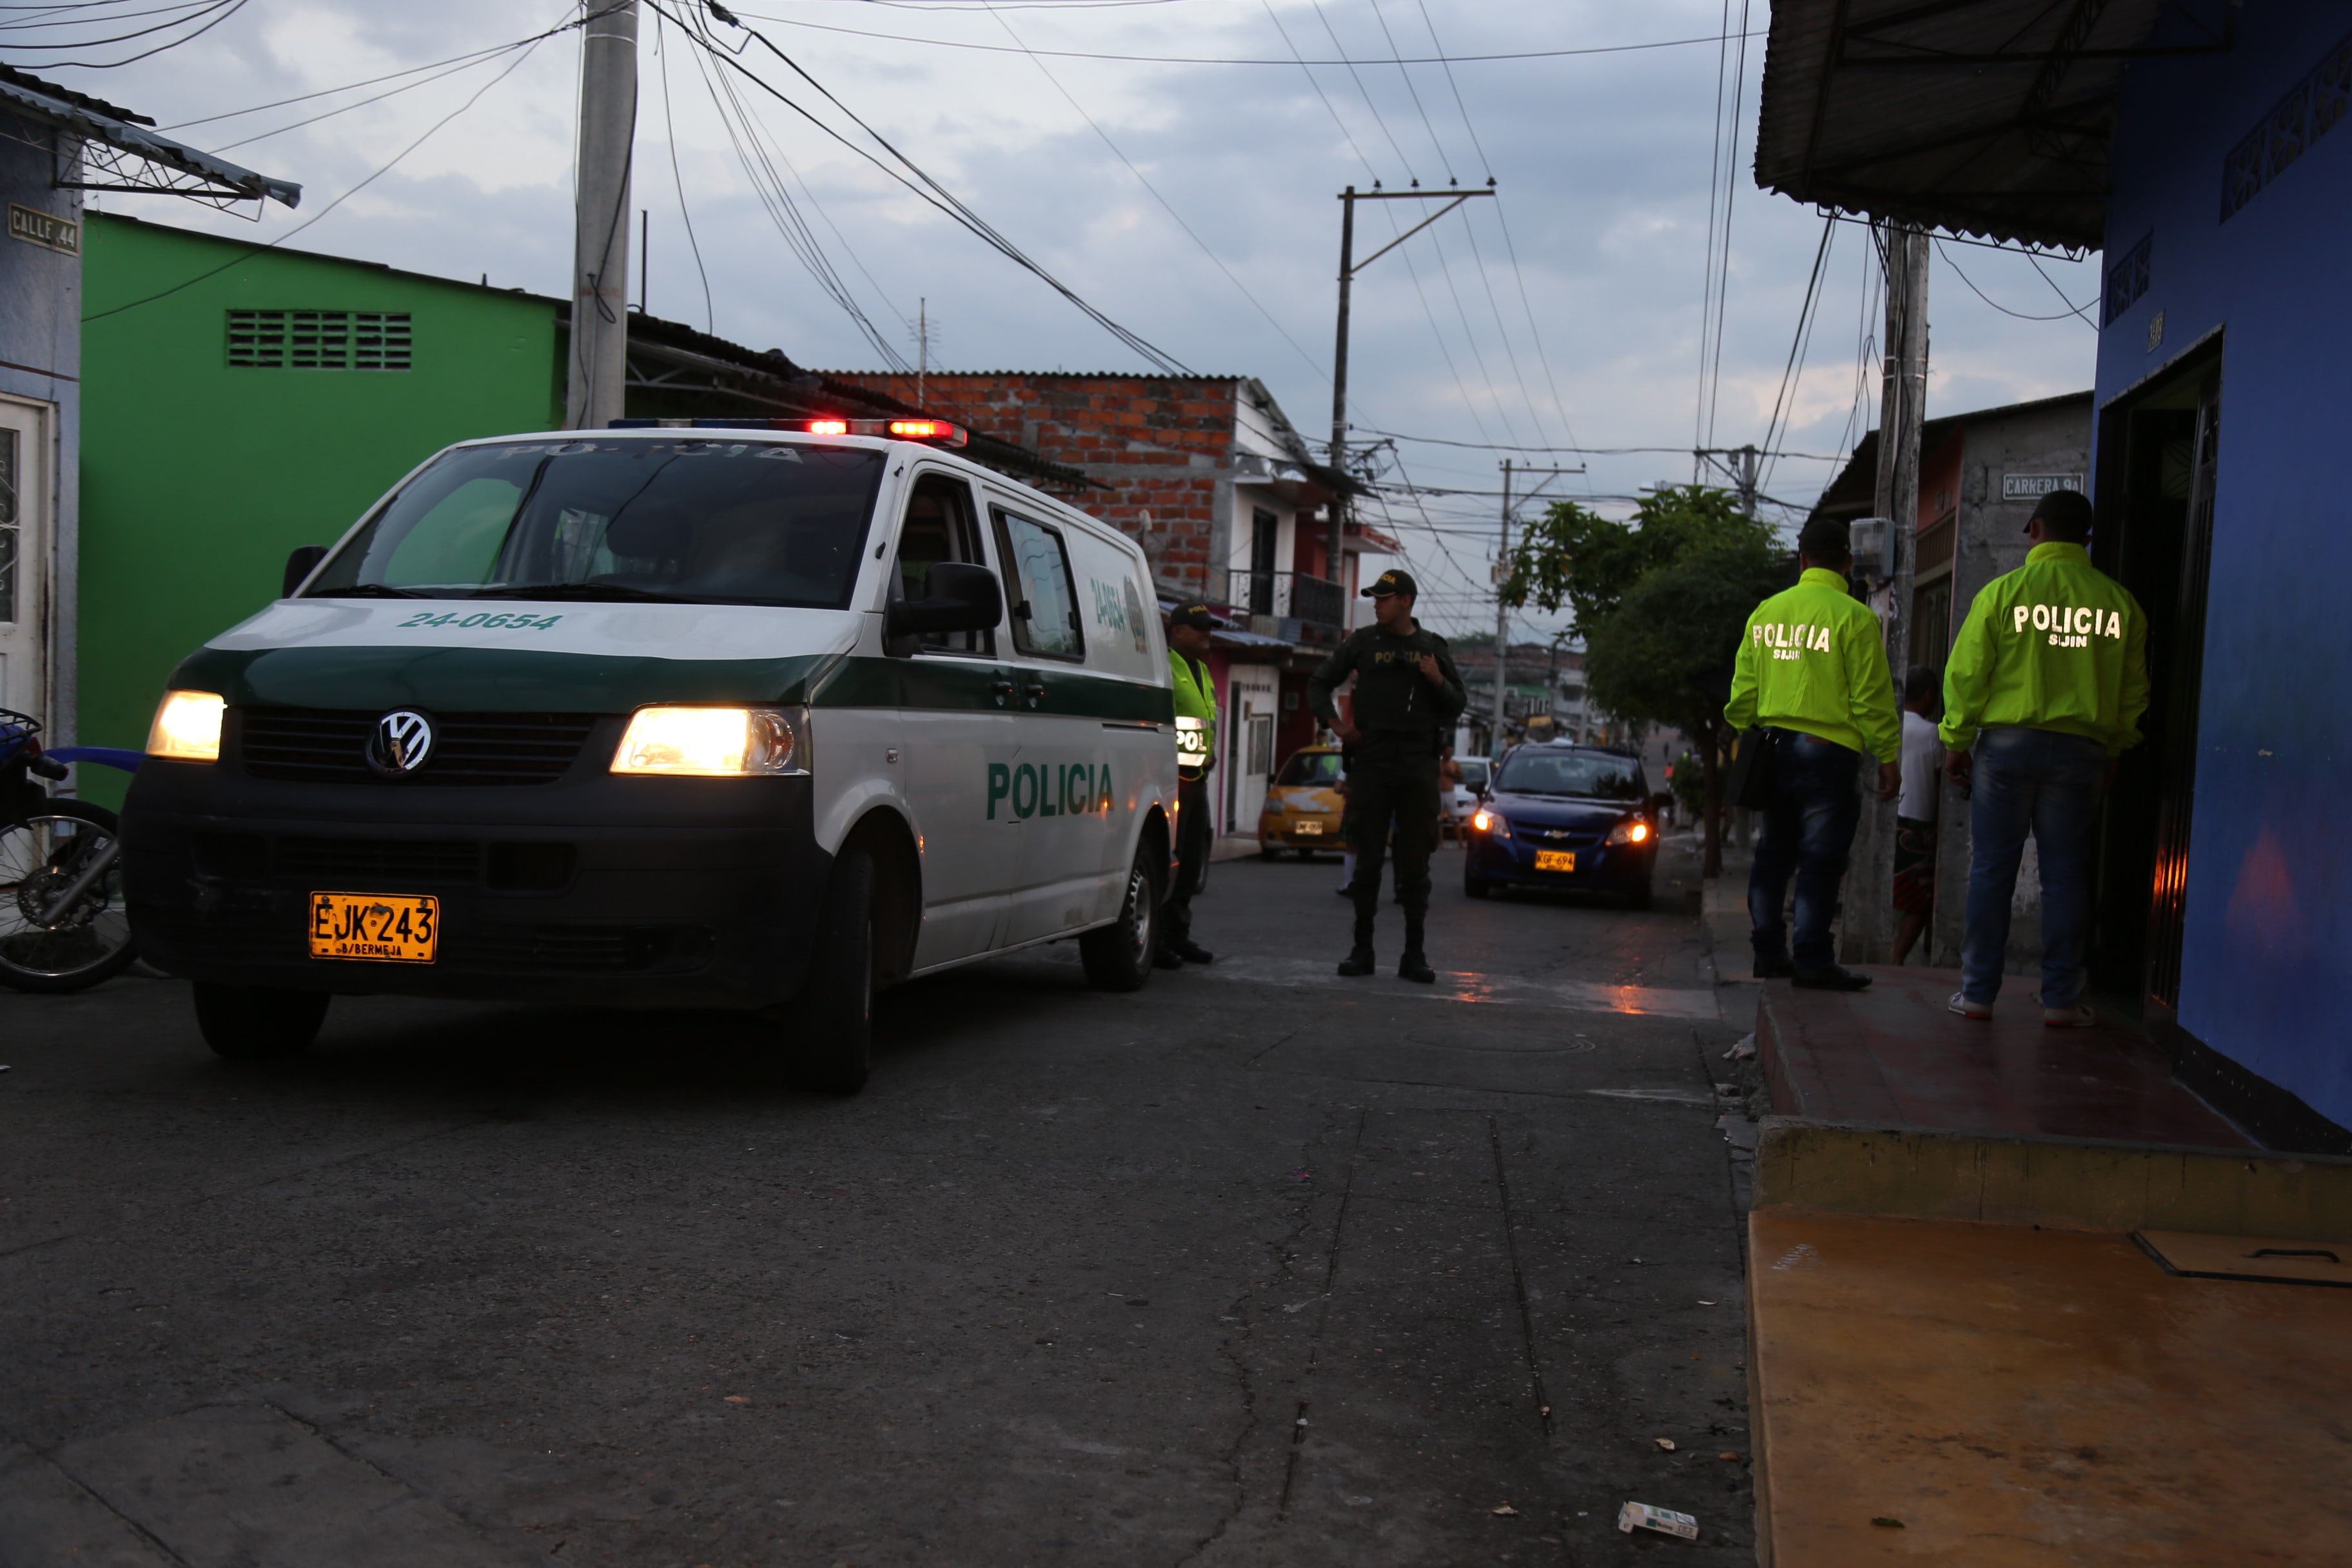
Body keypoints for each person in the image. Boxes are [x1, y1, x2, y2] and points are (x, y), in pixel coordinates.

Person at [1940, 488, 2149, 1026]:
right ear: (2087, 539)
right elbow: (2133, 691)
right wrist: (2116, 748)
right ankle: (2060, 1000)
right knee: (2065, 875)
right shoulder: (2119, 604)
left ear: (2034, 529)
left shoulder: (2003, 594)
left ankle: (1979, 993)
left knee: (1991, 869)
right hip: (2082, 752)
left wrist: (1957, 740)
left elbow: (1967, 674)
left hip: (2005, 748)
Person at [1723, 515, 1902, 990]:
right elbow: (1870, 698)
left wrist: (1750, 734)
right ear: (1847, 562)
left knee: (1772, 855)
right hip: (1830, 754)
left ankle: (1768, 954)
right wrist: (1887, 756)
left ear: (1802, 560)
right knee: (1821, 861)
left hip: (1775, 749)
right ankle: (1813, 959)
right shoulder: (1855, 618)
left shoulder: (1766, 613)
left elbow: (1743, 694)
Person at [1308, 569, 1467, 983]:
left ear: (1406, 602)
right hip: (1373, 761)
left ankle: (1414, 955)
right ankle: (1363, 951)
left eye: (1384, 597)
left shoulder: (1432, 647)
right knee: (1368, 862)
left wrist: (1436, 680)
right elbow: (1319, 683)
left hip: (1417, 765)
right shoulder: (1363, 642)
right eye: (1375, 598)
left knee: (1416, 865)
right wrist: (1337, 725)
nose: (1377, 603)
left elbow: (1456, 706)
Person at [1161, 603, 1220, 968]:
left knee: (1192, 860)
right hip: (1171, 782)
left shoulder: (1203, 670)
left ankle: (1178, 936)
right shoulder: (1165, 667)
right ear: (1177, 630)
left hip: (1198, 780)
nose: (1206, 634)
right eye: (1199, 628)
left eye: (1208, 628)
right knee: (1171, 859)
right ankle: (1155, 941)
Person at [1893, 665, 1942, 965]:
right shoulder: (1933, 734)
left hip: (1892, 818)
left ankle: (1888, 956)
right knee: (1920, 901)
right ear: (1927, 696)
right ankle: (1897, 957)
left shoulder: (1891, 725)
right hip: (1919, 824)